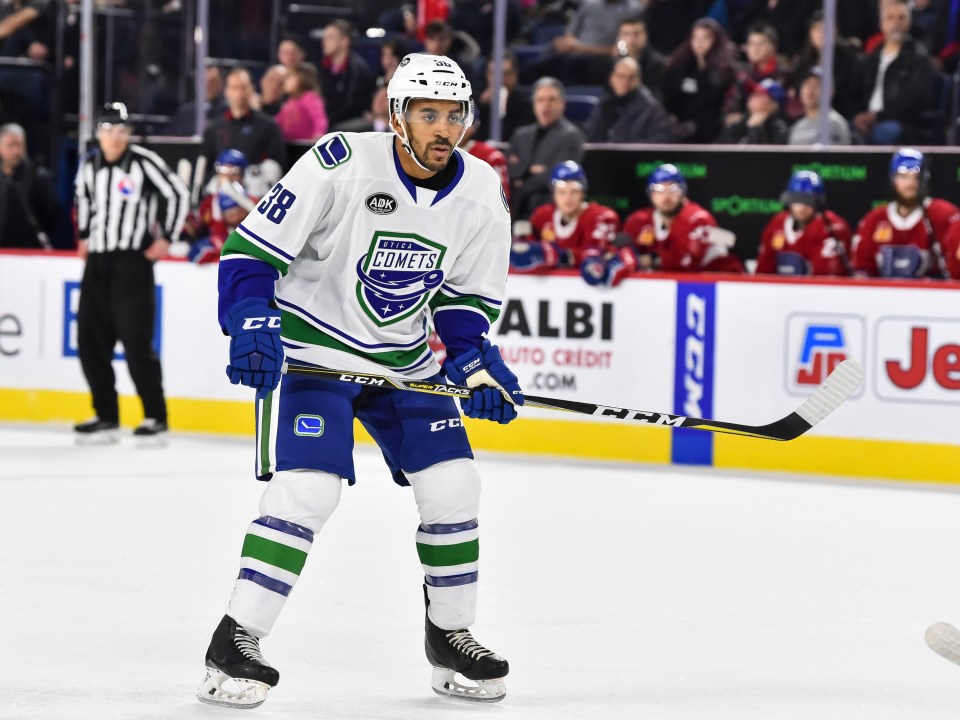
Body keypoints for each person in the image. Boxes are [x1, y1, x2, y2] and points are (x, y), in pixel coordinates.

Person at [197, 53, 520, 708]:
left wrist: (473, 358)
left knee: (455, 486)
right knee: (308, 492)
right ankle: (236, 639)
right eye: (427, 113)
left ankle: (449, 636)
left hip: (403, 362)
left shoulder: (482, 189)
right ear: (397, 115)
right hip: (316, 353)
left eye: (453, 115)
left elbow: (464, 299)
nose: (442, 128)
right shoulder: (341, 159)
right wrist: (253, 321)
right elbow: (251, 252)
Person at [72, 103, 189, 443]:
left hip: (132, 263)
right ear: (98, 133)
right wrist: (82, 236)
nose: (115, 137)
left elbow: (177, 193)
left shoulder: (143, 161)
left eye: (122, 130)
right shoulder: (89, 163)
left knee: (136, 341)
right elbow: (83, 199)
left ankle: (155, 416)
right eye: (109, 130)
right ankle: (106, 415)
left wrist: (167, 237)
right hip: (98, 262)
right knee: (90, 342)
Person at [851, 148, 959, 278]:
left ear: (925, 179)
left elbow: (954, 265)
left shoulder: (943, 215)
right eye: (904, 176)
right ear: (893, 179)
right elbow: (862, 270)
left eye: (916, 177)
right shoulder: (874, 220)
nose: (911, 183)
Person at [509, 161, 621, 281]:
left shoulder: (600, 216)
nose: (567, 198)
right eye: (562, 192)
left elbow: (594, 260)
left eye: (574, 192)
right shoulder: (542, 215)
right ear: (554, 194)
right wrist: (524, 243)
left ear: (582, 193)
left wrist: (560, 255)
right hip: (549, 289)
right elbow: (528, 254)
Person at [623, 163, 743, 273]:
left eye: (673, 189)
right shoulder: (639, 221)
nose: (666, 196)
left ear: (683, 192)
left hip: (721, 284)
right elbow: (622, 255)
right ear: (650, 193)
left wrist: (647, 260)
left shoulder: (698, 220)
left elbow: (682, 265)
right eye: (659, 189)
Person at [851, 0, 937, 145]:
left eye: (901, 18)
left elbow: (915, 100)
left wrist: (878, 117)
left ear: (909, 22)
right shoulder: (870, 59)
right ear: (881, 23)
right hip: (866, 120)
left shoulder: (919, 59)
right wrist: (857, 116)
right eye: (890, 18)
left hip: (902, 124)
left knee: (884, 132)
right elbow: (853, 94)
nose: (896, 23)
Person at [199, 68, 288, 198]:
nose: (239, 93)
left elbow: (277, 165)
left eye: (243, 87)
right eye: (234, 88)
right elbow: (205, 166)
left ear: (251, 90)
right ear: (227, 92)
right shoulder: (215, 128)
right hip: (220, 193)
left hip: (254, 196)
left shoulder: (268, 126)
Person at [506, 77, 584, 218]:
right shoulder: (521, 135)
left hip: (548, 208)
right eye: (540, 100)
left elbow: (558, 176)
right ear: (534, 104)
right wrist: (531, 169)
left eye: (552, 99)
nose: (546, 105)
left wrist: (522, 181)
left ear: (562, 104)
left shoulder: (571, 135)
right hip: (515, 208)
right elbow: (508, 168)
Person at [755, 170, 851, 276]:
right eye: (796, 199)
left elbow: (824, 276)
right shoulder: (777, 224)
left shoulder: (831, 226)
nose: (801, 208)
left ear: (818, 202)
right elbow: (763, 271)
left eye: (808, 200)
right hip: (780, 290)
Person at [661, 18, 737, 143]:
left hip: (711, 130)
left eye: (705, 38)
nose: (699, 43)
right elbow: (671, 96)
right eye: (695, 38)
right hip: (682, 125)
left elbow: (715, 104)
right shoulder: (682, 66)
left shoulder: (725, 71)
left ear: (716, 41)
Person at [181, 149, 257, 264]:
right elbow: (202, 224)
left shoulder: (252, 195)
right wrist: (191, 226)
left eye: (232, 170)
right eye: (223, 169)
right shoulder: (211, 198)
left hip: (245, 245)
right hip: (218, 249)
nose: (227, 175)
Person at [583, 56, 675, 144]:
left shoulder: (650, 107)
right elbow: (590, 133)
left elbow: (663, 137)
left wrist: (629, 149)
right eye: (620, 76)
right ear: (612, 78)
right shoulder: (605, 102)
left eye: (631, 77)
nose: (625, 81)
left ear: (639, 79)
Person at [0, 122, 58, 249]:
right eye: (10, 145)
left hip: (30, 250)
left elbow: (52, 214)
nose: (16, 151)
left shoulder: (39, 176)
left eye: (19, 145)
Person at [317, 19, 375, 129]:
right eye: (324, 38)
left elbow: (350, 104)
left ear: (344, 41)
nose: (324, 42)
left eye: (330, 38)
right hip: (326, 120)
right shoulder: (322, 66)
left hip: (347, 122)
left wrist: (326, 121)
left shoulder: (356, 69)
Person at [473, 52, 534, 143]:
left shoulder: (527, 104)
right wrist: (481, 107)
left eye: (506, 74)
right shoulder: (477, 101)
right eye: (494, 74)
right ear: (487, 75)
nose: (500, 79)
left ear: (515, 74)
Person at [787, 67, 852, 146]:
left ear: (830, 91)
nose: (811, 89)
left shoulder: (834, 123)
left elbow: (836, 157)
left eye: (817, 84)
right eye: (807, 84)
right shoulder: (797, 127)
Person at [716, 77, 790, 145]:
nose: (752, 97)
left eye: (759, 95)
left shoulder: (779, 129)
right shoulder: (739, 125)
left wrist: (756, 128)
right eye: (753, 94)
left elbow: (764, 158)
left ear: (774, 104)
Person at [274, 61, 328, 142]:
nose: (284, 81)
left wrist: (317, 138)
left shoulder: (309, 97)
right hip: (289, 144)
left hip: (305, 147)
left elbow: (319, 120)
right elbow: (277, 121)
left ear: (302, 78)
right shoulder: (290, 101)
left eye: (289, 77)